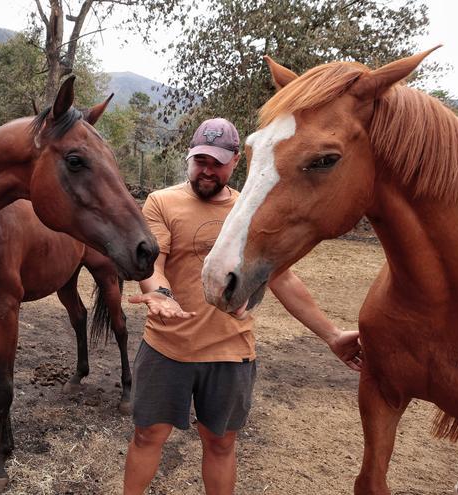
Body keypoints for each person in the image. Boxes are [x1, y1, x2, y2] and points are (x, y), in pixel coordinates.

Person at [123, 118, 362, 495]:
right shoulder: (162, 202)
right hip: (167, 350)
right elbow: (155, 263)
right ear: (189, 158)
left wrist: (331, 335)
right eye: (200, 159)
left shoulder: (254, 210)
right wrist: (160, 295)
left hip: (230, 353)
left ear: (236, 162)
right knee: (147, 436)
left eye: (217, 162)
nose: (207, 169)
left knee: (220, 444)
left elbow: (282, 277)